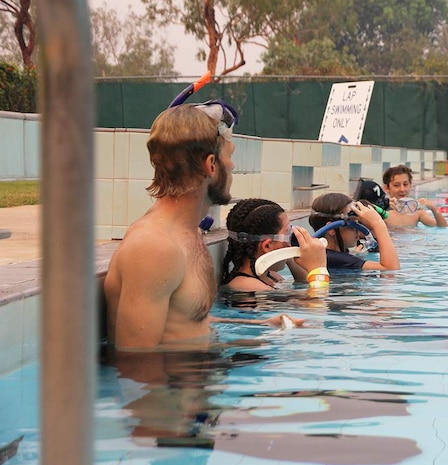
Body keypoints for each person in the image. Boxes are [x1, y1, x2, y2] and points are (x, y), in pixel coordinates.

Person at [104, 102, 323, 351]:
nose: (232, 167)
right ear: (210, 165)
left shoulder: (189, 234)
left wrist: (264, 324)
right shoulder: (155, 248)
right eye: (229, 158)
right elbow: (136, 364)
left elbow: (187, 318)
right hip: (179, 387)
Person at [220, 198, 327, 291]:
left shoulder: (269, 275)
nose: (289, 242)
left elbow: (303, 282)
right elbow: (317, 308)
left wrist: (290, 254)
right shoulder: (248, 285)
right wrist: (318, 269)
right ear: (267, 246)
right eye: (287, 233)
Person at [308, 192, 400, 270]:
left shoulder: (327, 255)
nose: (359, 232)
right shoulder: (334, 258)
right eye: (353, 225)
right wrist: (379, 225)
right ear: (331, 229)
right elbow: (391, 270)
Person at [381, 165, 448, 228]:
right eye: (396, 185)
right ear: (386, 188)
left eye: (405, 184)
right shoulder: (382, 211)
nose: (402, 189)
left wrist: (434, 209)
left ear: (410, 185)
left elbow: (442, 227)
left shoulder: (416, 211)